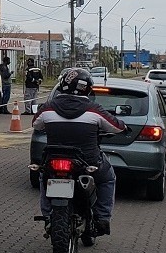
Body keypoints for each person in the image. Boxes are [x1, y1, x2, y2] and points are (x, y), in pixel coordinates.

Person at [32, 68, 127, 236]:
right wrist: (124, 126)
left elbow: (36, 124)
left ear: (62, 85)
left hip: (54, 159)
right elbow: (117, 127)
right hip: (88, 161)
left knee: (43, 177)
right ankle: (102, 218)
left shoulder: (48, 108)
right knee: (108, 178)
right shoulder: (94, 109)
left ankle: (48, 215)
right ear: (87, 88)